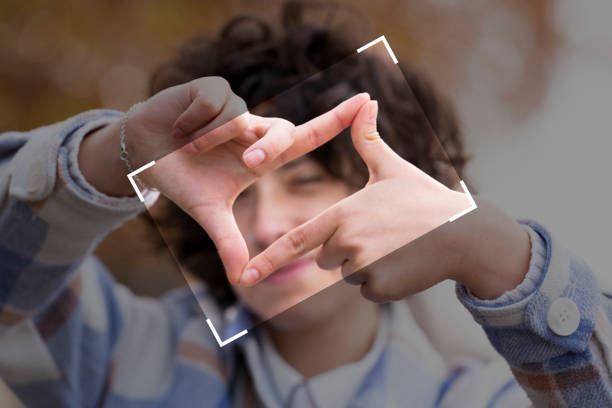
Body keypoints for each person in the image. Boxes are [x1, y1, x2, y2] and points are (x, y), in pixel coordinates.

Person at [1, 2, 611, 407]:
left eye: (306, 182)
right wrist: (116, 152)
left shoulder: (484, 398)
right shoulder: (120, 356)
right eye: (238, 195)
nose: (267, 225)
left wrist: (487, 247)